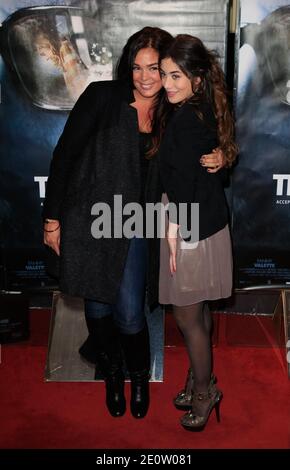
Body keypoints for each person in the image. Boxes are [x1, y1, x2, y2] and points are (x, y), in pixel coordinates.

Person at [43, 27, 225, 420]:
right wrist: (52, 219)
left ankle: (138, 378)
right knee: (96, 311)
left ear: (168, 70)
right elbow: (64, 156)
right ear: (127, 67)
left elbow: (210, 134)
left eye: (155, 68)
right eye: (137, 67)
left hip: (140, 221)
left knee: (128, 311)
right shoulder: (102, 98)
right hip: (93, 217)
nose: (145, 77)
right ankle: (111, 374)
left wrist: (223, 155)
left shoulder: (174, 109)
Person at [156, 34, 237, 430]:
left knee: (187, 316)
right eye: (165, 74)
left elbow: (184, 182)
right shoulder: (203, 107)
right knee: (199, 309)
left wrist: (172, 233)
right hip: (203, 220)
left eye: (177, 76)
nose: (168, 83)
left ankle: (205, 392)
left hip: (188, 225)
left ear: (198, 79)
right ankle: (198, 377)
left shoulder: (188, 119)